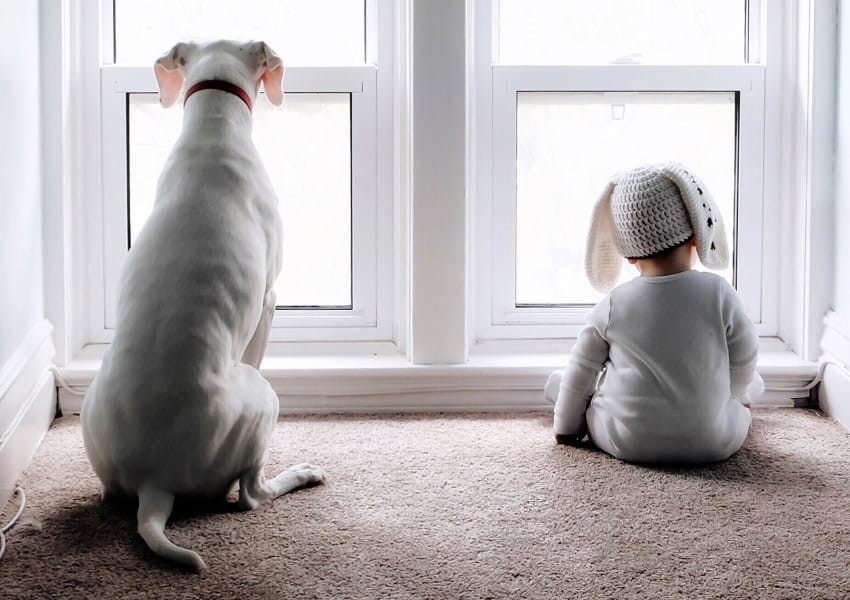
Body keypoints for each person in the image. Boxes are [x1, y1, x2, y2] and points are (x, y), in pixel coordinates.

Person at [545, 162, 763, 464]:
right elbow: (746, 352)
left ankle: (562, 398)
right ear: (695, 237)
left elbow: (582, 368)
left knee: (571, 386)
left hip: (628, 441)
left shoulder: (614, 304)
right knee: (752, 381)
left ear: (629, 256)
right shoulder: (720, 293)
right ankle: (733, 405)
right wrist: (735, 396)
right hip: (714, 442)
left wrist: (566, 428)